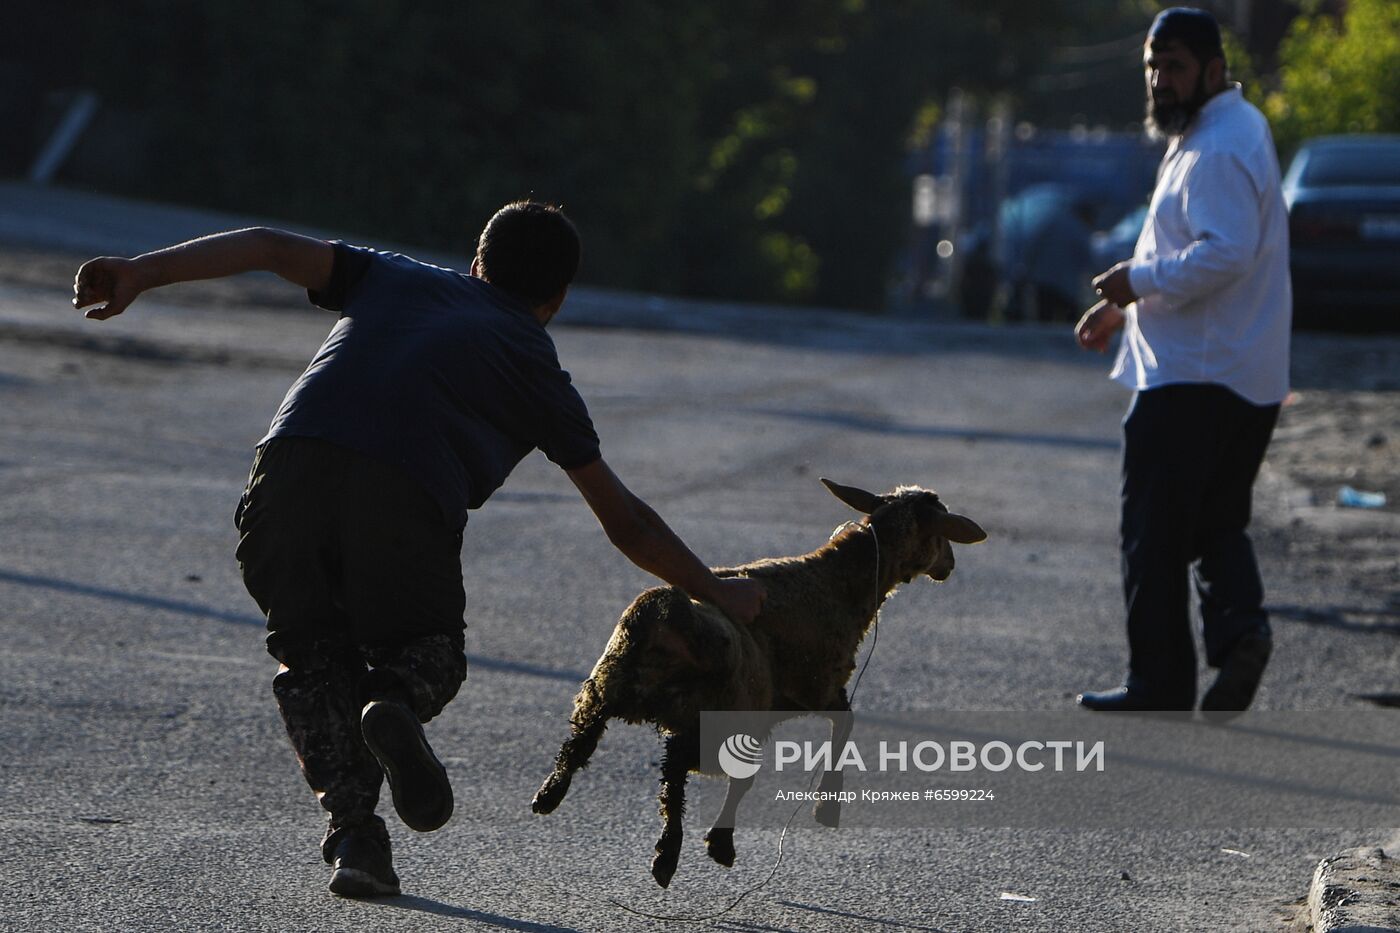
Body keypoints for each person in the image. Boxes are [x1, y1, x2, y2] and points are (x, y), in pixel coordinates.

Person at [71, 201, 767, 897]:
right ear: (556, 299)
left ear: (475, 265)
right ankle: (396, 700)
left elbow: (265, 245)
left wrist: (140, 271)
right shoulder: (536, 365)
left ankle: (356, 838)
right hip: (401, 494)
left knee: (312, 658)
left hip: (285, 474)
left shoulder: (394, 277)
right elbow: (628, 523)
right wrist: (716, 587)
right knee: (428, 653)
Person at [1073, 8, 1290, 716]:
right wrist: (1127, 310)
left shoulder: (1218, 145)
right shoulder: (1223, 130)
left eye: (1176, 68)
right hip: (1240, 371)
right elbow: (1204, 247)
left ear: (1215, 71)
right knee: (1213, 521)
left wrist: (1134, 280)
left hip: (1194, 378)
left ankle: (1159, 682)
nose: (1162, 82)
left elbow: (1224, 252)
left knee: (1155, 533)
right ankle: (1242, 635)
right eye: (1153, 68)